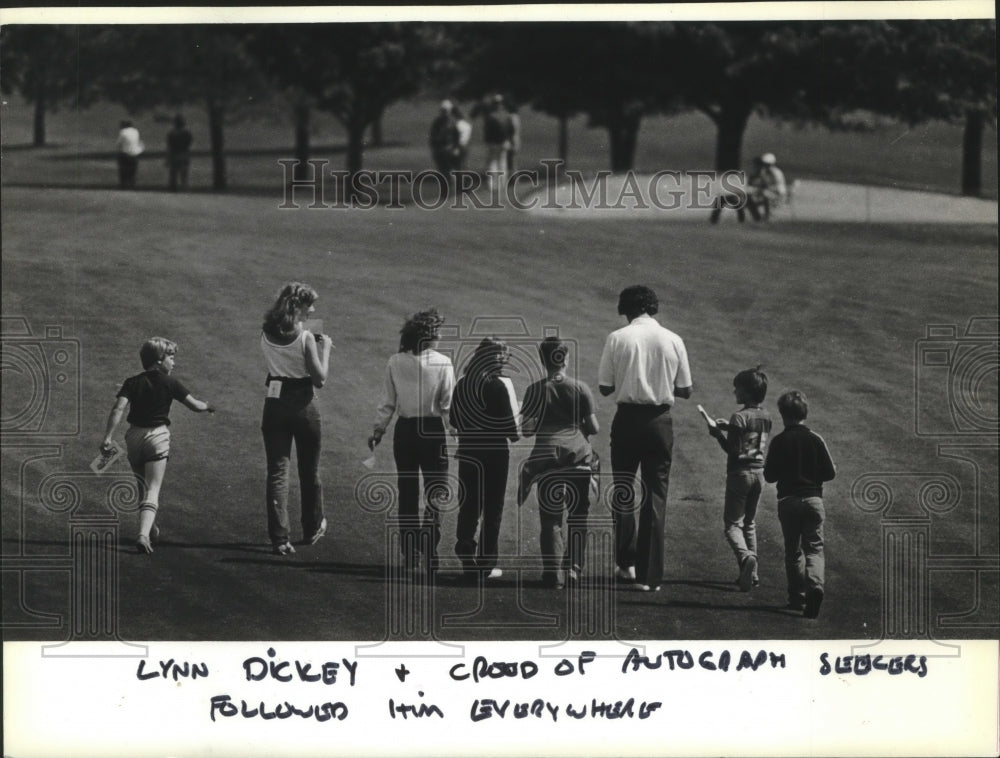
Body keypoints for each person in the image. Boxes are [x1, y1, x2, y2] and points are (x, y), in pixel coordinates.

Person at [598, 285, 692, 592]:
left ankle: (626, 563)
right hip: (660, 421)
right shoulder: (674, 339)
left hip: (626, 420)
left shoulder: (617, 338)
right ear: (652, 307)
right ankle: (649, 576)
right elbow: (685, 389)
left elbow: (604, 387)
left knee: (623, 490)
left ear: (626, 309)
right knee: (656, 494)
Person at [100, 337, 214, 553]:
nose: (174, 363)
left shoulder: (131, 382)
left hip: (133, 436)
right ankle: (143, 535)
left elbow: (118, 409)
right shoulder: (170, 383)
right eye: (171, 357)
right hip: (158, 437)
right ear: (159, 360)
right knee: (153, 489)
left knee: (141, 486)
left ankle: (151, 529)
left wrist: (107, 437)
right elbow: (195, 405)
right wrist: (209, 406)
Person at [369, 309, 455, 576]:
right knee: (435, 493)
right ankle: (430, 552)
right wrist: (457, 432)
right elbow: (447, 405)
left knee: (407, 493)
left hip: (405, 431)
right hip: (431, 431)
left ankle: (410, 554)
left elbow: (388, 402)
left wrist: (378, 430)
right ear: (430, 336)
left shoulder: (395, 361)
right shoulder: (443, 362)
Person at [520, 337, 600, 589]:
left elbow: (527, 430)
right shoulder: (580, 388)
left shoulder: (534, 390)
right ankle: (574, 569)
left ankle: (554, 573)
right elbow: (594, 428)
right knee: (578, 515)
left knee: (551, 519)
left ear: (543, 361)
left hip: (547, 461)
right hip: (577, 457)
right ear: (565, 359)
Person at [260, 282, 332, 556]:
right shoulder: (304, 338)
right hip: (303, 403)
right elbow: (320, 379)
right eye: (309, 305)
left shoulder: (267, 331)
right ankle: (312, 526)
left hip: (275, 402)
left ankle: (279, 537)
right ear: (298, 306)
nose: (312, 309)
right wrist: (325, 349)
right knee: (309, 469)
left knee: (277, 473)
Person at [764, 390, 836, 619]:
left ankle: (798, 597)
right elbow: (830, 472)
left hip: (788, 501)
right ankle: (816, 584)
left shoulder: (779, 441)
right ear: (805, 413)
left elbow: (769, 476)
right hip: (813, 500)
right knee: (814, 548)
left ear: (782, 414)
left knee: (793, 551)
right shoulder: (816, 439)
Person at [451, 338, 519, 581]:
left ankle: (465, 544)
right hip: (495, 453)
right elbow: (513, 432)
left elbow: (454, 421)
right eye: (503, 357)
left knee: (469, 503)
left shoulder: (462, 384)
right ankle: (486, 563)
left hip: (469, 450)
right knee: (493, 507)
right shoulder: (500, 386)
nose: (505, 361)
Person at [704, 367, 772, 592]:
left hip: (739, 474)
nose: (734, 391)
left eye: (738, 388)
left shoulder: (739, 416)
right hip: (759, 474)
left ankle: (745, 559)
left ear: (747, 392)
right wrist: (728, 427)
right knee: (749, 523)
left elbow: (733, 449)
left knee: (732, 525)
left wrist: (718, 435)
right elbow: (749, 438)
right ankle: (752, 575)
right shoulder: (766, 417)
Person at [483, 94, 512, 191]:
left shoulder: (490, 116)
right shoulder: (507, 115)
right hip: (504, 142)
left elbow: (487, 131)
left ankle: (492, 185)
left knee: (493, 163)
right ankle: (502, 184)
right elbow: (511, 129)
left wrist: (487, 141)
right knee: (503, 163)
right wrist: (508, 140)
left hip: (493, 143)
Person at [749, 152, 788, 221]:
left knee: (764, 194)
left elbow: (778, 189)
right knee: (749, 199)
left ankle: (768, 217)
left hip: (778, 197)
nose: (764, 166)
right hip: (769, 195)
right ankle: (758, 219)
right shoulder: (764, 172)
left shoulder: (776, 173)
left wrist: (761, 189)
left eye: (766, 164)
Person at [429, 100, 459, 175]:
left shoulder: (450, 122)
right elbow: (433, 136)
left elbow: (456, 136)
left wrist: (455, 148)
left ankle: (449, 185)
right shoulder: (439, 121)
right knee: (444, 170)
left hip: (447, 149)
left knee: (448, 170)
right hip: (441, 149)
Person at [166, 114, 193, 192]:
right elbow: (189, 142)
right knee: (184, 173)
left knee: (173, 173)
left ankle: (173, 189)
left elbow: (169, 145)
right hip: (184, 153)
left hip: (174, 154)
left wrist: (168, 157)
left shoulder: (171, 133)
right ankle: (184, 188)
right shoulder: (187, 132)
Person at [116, 120, 144, 189]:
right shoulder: (136, 131)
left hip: (125, 154)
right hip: (135, 154)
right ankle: (132, 185)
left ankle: (123, 185)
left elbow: (118, 144)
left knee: (123, 171)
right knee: (132, 171)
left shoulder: (123, 132)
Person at [452, 105, 473, 171]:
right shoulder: (467, 125)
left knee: (456, 166)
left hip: (458, 146)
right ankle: (466, 179)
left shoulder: (456, 125)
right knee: (464, 164)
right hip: (465, 145)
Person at [505, 100, 521, 174]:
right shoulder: (516, 117)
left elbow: (513, 128)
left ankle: (512, 178)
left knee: (510, 160)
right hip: (516, 139)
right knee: (513, 160)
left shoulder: (511, 117)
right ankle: (513, 177)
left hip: (512, 140)